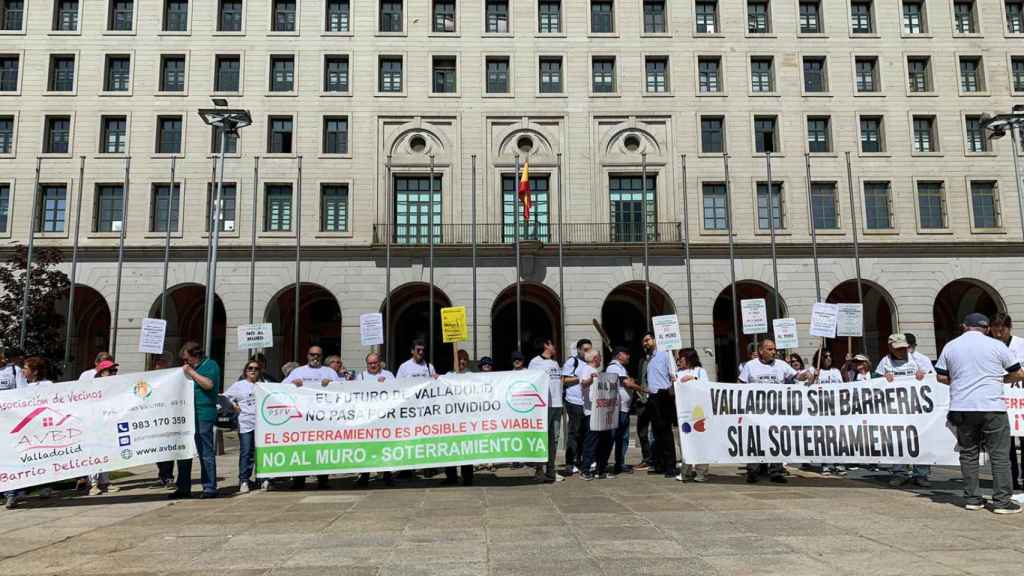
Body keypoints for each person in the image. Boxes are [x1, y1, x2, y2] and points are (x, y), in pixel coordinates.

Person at [936, 312, 1024, 514]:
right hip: (992, 406)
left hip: (962, 407)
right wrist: (1000, 380)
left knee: (968, 454)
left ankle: (972, 499)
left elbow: (940, 377)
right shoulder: (996, 345)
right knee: (1000, 456)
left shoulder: (951, 346)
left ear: (964, 326)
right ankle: (1002, 502)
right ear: (986, 328)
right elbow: (1019, 373)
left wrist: (959, 382)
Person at [739, 338, 805, 483]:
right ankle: (753, 471)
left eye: (774, 349)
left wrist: (805, 375)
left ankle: (776, 471)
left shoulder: (781, 365)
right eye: (770, 349)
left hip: (776, 412)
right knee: (756, 440)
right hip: (756, 412)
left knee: (776, 440)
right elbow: (740, 385)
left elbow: (797, 376)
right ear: (761, 351)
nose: (773, 352)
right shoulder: (750, 366)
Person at [877, 334, 933, 488]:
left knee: (920, 440)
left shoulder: (920, 360)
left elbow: (933, 380)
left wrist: (924, 376)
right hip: (895, 411)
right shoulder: (885, 362)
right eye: (898, 349)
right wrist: (883, 378)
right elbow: (874, 383)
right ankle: (899, 472)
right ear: (890, 348)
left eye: (904, 348)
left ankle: (921, 474)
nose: (902, 351)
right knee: (897, 440)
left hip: (917, 410)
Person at [171, 342, 221, 499]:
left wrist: (191, 372)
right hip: (186, 415)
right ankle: (183, 487)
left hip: (203, 414)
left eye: (187, 359)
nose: (185, 362)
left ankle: (209, 487)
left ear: (196, 355)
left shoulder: (210, 365)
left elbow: (208, 384)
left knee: (205, 451)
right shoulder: (188, 368)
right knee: (184, 452)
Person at [288, 346, 340, 489]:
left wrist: (332, 384)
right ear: (307, 355)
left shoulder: (329, 372)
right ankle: (299, 481)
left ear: (322, 356)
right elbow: (282, 388)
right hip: (302, 419)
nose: (315, 357)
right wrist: (292, 384)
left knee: (322, 450)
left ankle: (323, 481)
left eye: (318, 355)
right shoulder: (297, 372)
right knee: (301, 450)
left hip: (322, 419)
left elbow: (342, 389)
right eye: (312, 354)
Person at [988, 313, 1024, 491]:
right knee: (1005, 445)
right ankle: (1011, 480)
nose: (999, 333)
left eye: (1002, 329)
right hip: (1000, 401)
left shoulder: (1021, 344)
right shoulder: (988, 346)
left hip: (1020, 401)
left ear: (1009, 328)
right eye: (995, 330)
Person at [355, 353, 395, 488]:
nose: (373, 365)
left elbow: (397, 392)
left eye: (375, 363)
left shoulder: (388, 375)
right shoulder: (360, 377)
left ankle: (387, 475)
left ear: (380, 362)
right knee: (366, 447)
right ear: (366, 364)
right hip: (367, 419)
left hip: (384, 418)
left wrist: (387, 385)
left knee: (385, 447)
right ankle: (364, 475)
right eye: (370, 363)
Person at [642, 333, 678, 479]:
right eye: (644, 341)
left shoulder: (665, 354)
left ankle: (670, 466)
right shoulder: (649, 358)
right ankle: (661, 463)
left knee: (666, 432)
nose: (645, 343)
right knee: (657, 433)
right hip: (653, 397)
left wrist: (671, 391)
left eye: (647, 340)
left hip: (663, 396)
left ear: (656, 340)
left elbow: (672, 374)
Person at [529, 337, 564, 483]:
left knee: (554, 439)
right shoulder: (535, 362)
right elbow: (531, 381)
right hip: (544, 405)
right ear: (546, 345)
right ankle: (539, 469)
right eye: (552, 344)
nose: (555, 347)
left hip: (557, 404)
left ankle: (551, 470)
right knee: (542, 438)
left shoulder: (555, 362)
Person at [225, 360, 262, 493]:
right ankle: (244, 480)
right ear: (246, 371)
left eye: (256, 369)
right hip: (245, 423)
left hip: (261, 424)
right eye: (250, 368)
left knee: (260, 452)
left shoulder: (263, 384)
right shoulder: (239, 385)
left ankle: (262, 478)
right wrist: (233, 405)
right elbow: (224, 397)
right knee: (246, 452)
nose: (253, 371)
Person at [675, 348, 710, 482]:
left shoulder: (700, 371)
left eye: (681, 358)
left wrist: (693, 378)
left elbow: (706, 387)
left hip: (698, 413)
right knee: (684, 442)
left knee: (700, 441)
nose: (679, 361)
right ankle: (686, 470)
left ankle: (701, 471)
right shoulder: (677, 373)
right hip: (683, 413)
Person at [579, 350, 613, 480]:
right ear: (595, 358)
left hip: (601, 411)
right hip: (591, 412)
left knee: (603, 441)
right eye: (600, 357)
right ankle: (585, 469)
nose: (601, 360)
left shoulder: (597, 372)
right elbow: (583, 383)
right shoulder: (586, 369)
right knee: (591, 441)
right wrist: (591, 379)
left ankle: (601, 469)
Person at [88, 359, 120, 495]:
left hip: (108, 423)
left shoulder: (114, 387)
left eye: (115, 371)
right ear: (101, 373)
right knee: (93, 453)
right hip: (94, 424)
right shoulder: (93, 387)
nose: (114, 373)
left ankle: (105, 481)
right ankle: (93, 484)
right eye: (111, 371)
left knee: (106, 452)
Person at [606, 346, 640, 476]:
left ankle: (619, 463)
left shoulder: (620, 367)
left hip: (623, 408)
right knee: (614, 437)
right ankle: (604, 464)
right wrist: (644, 389)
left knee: (623, 437)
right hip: (617, 408)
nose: (628, 356)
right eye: (626, 354)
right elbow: (627, 383)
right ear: (619, 354)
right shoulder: (614, 367)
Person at [561, 339, 593, 476]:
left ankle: (581, 460)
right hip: (573, 401)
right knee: (574, 432)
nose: (588, 352)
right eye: (585, 350)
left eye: (590, 350)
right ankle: (570, 462)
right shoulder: (572, 362)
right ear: (579, 350)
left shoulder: (590, 363)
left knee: (585, 433)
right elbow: (564, 379)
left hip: (586, 403)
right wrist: (580, 378)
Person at [2, 348, 27, 509]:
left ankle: (12, 494)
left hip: (9, 422)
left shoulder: (14, 370)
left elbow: (23, 394)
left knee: (8, 457)